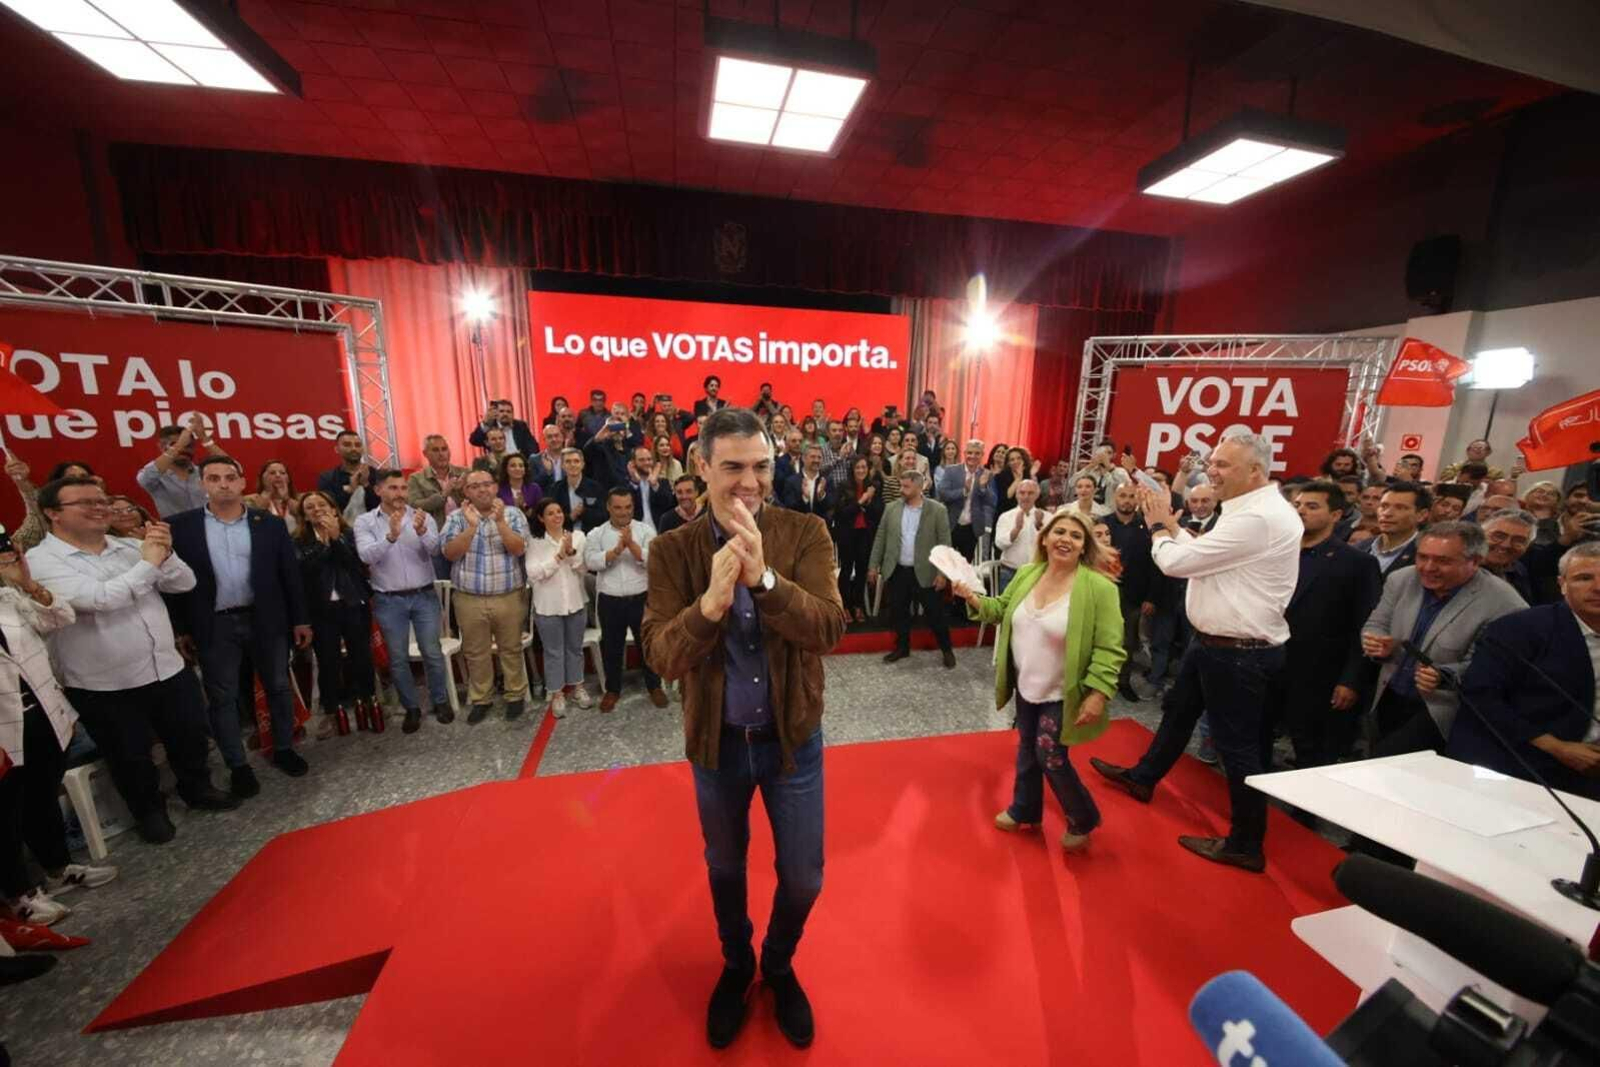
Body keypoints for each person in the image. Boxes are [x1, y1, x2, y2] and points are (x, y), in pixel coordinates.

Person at [640, 406, 846, 1051]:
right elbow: (661, 655)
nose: (749, 481)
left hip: (793, 744)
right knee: (725, 867)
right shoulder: (671, 550)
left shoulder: (806, 532)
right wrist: (707, 608)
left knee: (805, 876)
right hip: (717, 746)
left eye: (760, 466)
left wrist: (765, 579)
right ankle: (737, 965)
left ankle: (778, 964)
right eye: (732, 467)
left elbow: (831, 629)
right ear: (701, 467)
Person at [1090, 434, 1302, 873]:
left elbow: (1175, 563)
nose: (1212, 471)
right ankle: (1144, 778)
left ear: (1255, 471)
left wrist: (1159, 526)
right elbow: (1198, 552)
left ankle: (1245, 843)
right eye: (1214, 462)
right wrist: (1173, 527)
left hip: (1238, 651)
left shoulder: (1258, 518)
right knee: (1177, 712)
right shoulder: (1247, 511)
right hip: (1216, 644)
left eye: (1224, 465)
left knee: (1238, 748)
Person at [27, 477, 239, 840]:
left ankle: (197, 788)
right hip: (105, 681)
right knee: (130, 755)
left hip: (165, 665)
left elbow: (183, 583)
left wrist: (165, 554)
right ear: (52, 514)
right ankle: (149, 812)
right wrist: (148, 564)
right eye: (85, 503)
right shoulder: (41, 561)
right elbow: (101, 600)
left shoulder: (127, 546)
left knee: (188, 735)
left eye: (102, 500)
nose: (99, 508)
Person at [956, 510, 1125, 852]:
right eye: (1058, 531)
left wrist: (1099, 693)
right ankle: (1025, 810)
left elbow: (1111, 647)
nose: (1065, 539)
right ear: (1044, 538)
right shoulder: (1027, 573)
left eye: (1075, 536)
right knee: (1027, 749)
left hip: (1065, 690)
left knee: (1050, 755)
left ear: (1084, 547)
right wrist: (973, 598)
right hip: (1026, 684)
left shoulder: (1099, 588)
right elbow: (1002, 609)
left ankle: (1083, 817)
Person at [169, 456, 314, 785]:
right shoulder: (181, 527)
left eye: (230, 477)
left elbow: (289, 575)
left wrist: (300, 620)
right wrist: (181, 629)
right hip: (214, 624)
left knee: (278, 686)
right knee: (223, 696)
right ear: (202, 483)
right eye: (214, 478)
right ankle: (238, 766)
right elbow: (172, 584)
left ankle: (283, 748)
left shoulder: (269, 524)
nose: (223, 484)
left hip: (266, 620)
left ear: (242, 481)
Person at [0, 545, 116, 924]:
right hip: (3, 729)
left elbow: (60, 617)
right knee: (6, 813)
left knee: (42, 796)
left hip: (42, 713)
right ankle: (19, 895)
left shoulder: (8, 597)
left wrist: (30, 585)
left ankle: (58, 866)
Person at [1360, 522, 1527, 758]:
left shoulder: (1506, 603)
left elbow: (1497, 668)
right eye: (1422, 557)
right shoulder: (1402, 579)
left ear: (1476, 561)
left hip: (1444, 710)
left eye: (1443, 561)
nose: (1428, 567)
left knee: (1390, 764)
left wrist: (1446, 674)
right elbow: (1376, 623)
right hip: (1390, 693)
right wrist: (1376, 641)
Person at [1448, 542, 1600, 800]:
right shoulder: (1519, 629)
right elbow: (1480, 696)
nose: (1597, 588)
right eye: (1584, 578)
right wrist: (1557, 747)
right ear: (1562, 584)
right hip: (1520, 759)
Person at [1271, 481, 1382, 770]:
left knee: (1311, 751)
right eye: (1296, 505)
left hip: (1319, 676)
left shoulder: (1356, 563)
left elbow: (1365, 625)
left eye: (1312, 506)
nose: (1301, 511)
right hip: (1267, 664)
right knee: (1256, 741)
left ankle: (1302, 815)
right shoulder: (1275, 553)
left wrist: (1351, 679)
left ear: (1336, 515)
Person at [354, 471, 454, 732]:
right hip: (389, 600)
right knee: (397, 658)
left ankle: (440, 701)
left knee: (431, 652)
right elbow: (366, 556)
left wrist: (422, 532)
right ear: (378, 490)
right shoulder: (365, 522)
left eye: (403, 488)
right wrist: (390, 536)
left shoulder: (422, 517)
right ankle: (411, 708)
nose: (400, 493)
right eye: (393, 488)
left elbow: (436, 550)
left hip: (424, 595)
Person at [440, 470, 531, 724]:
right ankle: (481, 699)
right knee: (475, 651)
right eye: (475, 486)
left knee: (511, 648)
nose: (482, 490)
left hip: (508, 594)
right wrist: (472, 527)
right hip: (469, 597)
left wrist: (500, 522)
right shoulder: (456, 518)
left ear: (495, 487)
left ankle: (515, 696)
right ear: (466, 491)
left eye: (487, 484)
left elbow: (519, 549)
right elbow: (449, 553)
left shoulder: (512, 514)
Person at [294, 490, 378, 737]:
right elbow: (306, 569)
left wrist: (337, 539)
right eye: (310, 507)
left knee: (361, 658)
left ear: (334, 509)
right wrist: (325, 544)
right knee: (329, 663)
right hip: (322, 611)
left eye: (322, 504)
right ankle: (332, 712)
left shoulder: (350, 533)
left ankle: (369, 704)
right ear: (304, 516)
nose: (317, 509)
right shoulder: (298, 541)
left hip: (353, 605)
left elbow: (357, 564)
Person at [585, 486, 665, 711]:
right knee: (612, 646)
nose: (623, 512)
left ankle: (654, 686)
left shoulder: (645, 530)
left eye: (628, 507)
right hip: (610, 600)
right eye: (618, 507)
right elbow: (590, 561)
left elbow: (655, 560)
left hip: (641, 597)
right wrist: (617, 551)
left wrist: (632, 546)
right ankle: (612, 690)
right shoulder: (597, 533)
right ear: (609, 507)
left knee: (647, 644)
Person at [869, 469, 955, 668]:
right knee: (899, 611)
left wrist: (943, 574)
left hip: (926, 572)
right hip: (897, 570)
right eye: (901, 485)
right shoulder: (891, 508)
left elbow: (945, 543)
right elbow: (880, 537)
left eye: (906, 486)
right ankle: (902, 648)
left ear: (919, 487)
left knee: (935, 614)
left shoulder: (937, 510)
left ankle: (947, 650)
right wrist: (873, 565)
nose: (901, 489)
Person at [526, 499, 591, 718]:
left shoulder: (578, 537)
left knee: (575, 648)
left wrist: (571, 552)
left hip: (575, 602)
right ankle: (556, 693)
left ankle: (578, 687)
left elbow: (583, 569)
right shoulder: (534, 542)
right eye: (551, 513)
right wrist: (559, 557)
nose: (557, 516)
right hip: (547, 606)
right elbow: (534, 574)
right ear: (541, 518)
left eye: (560, 511)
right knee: (553, 651)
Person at [1101, 483, 1157, 702]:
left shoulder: (1147, 527)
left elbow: (1154, 565)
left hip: (1133, 595)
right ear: (1115, 497)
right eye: (1122, 495)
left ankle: (1123, 681)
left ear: (1137, 499)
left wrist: (1151, 597)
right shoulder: (1102, 524)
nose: (1127, 500)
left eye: (1131, 496)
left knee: (1128, 641)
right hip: (1103, 591)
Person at [136, 414, 225, 517]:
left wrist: (204, 438)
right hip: (176, 531)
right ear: (161, 446)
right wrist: (179, 445)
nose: (184, 449)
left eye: (189, 446)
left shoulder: (203, 472)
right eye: (173, 444)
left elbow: (233, 467)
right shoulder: (157, 477)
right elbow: (144, 479)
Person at [831, 456, 882, 624]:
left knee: (861, 570)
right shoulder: (843, 486)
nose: (861, 470)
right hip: (847, 534)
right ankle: (844, 606)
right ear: (852, 469)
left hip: (865, 534)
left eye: (864, 467)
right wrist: (861, 500)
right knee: (846, 570)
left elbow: (878, 512)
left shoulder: (873, 487)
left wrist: (869, 501)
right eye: (857, 467)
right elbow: (842, 513)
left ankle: (858, 605)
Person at [934, 439, 996, 562]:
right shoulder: (952, 470)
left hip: (971, 528)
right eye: (970, 453)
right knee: (946, 564)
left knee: (964, 565)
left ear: (982, 455)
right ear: (964, 453)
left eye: (977, 453)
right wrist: (964, 492)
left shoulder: (986, 474)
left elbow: (991, 501)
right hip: (951, 525)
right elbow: (942, 493)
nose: (972, 456)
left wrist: (983, 487)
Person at [1359, 482, 1429, 577]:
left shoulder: (1426, 555)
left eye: (1400, 508)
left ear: (1421, 515)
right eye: (1384, 506)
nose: (1387, 513)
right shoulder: (1360, 547)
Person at [994, 479, 1048, 590]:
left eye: (1030, 493)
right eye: (1022, 493)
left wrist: (1040, 527)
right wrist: (1016, 529)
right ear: (1017, 495)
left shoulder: (1046, 517)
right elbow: (999, 544)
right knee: (1007, 607)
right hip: (1010, 572)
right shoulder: (1006, 517)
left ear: (1037, 495)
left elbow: (1051, 545)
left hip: (1036, 572)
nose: (1026, 496)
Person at [406, 434, 468, 531]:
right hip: (436, 532)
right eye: (435, 450)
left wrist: (464, 490)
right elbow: (414, 506)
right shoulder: (416, 479)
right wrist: (443, 495)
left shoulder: (464, 473)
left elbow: (478, 501)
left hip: (466, 529)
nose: (441, 454)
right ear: (425, 454)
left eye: (444, 449)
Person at [315, 430, 380, 514]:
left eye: (358, 445)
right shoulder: (327, 478)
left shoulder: (377, 475)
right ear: (337, 449)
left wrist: (366, 485)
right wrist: (350, 490)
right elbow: (330, 509)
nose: (353, 449)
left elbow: (380, 507)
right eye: (347, 445)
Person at [1480, 509, 1537, 602]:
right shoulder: (1459, 568)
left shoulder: (1519, 570)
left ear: (1527, 546)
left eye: (1519, 540)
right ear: (1480, 534)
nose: (1506, 545)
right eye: (1498, 536)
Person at [585, 402, 644, 489]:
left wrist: (626, 427)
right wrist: (598, 437)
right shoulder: (602, 448)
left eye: (620, 428)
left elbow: (638, 445)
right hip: (607, 490)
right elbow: (587, 451)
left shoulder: (630, 450)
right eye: (614, 428)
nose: (617, 431)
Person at [549, 447, 603, 532]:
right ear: (562, 465)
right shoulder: (555, 489)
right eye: (568, 462)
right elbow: (551, 518)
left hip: (591, 536)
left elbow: (603, 515)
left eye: (576, 461)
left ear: (583, 464)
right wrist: (571, 516)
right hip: (564, 535)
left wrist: (584, 512)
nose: (572, 465)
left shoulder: (595, 487)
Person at [244, 459, 303, 538]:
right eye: (272, 473)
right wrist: (267, 494)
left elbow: (304, 517)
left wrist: (287, 498)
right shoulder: (249, 500)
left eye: (282, 473)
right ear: (263, 478)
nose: (278, 475)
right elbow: (252, 522)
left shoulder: (300, 500)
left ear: (288, 479)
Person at [624, 446, 674, 531]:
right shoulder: (626, 484)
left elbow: (668, 505)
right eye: (641, 460)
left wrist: (654, 485)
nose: (647, 463)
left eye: (649, 459)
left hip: (659, 531)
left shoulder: (663, 483)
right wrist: (635, 482)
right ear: (633, 463)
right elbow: (626, 507)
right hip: (635, 531)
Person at [470, 398, 537, 457]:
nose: (505, 414)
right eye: (501, 411)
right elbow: (474, 441)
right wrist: (485, 423)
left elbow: (532, 445)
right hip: (498, 465)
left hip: (519, 464)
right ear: (496, 413)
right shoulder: (490, 426)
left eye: (508, 412)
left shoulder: (520, 425)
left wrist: (531, 459)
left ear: (512, 414)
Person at [780, 444, 831, 520]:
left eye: (819, 457)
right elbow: (789, 508)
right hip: (799, 527)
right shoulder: (791, 481)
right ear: (803, 458)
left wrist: (822, 496)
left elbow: (831, 507)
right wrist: (804, 498)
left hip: (821, 528)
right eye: (813, 457)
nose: (816, 460)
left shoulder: (827, 480)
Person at [1439, 438, 1504, 482]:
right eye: (1474, 448)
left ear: (1488, 452)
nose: (1477, 450)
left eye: (1481, 448)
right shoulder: (1453, 468)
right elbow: (1443, 483)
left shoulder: (1496, 473)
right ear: (1467, 451)